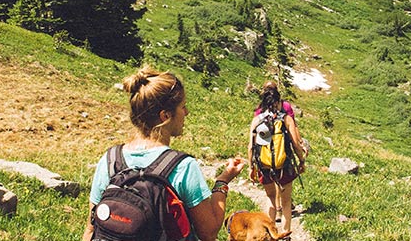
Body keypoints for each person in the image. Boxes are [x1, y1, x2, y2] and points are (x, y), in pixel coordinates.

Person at [82, 66, 245, 241]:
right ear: (165, 116)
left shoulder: (111, 160)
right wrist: (222, 182)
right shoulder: (183, 167)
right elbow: (209, 232)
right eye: (183, 107)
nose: (187, 112)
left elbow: (91, 228)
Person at [248, 84, 306, 236]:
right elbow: (295, 144)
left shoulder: (256, 120)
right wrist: (301, 161)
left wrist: (251, 167)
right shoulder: (286, 119)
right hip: (284, 165)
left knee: (271, 198)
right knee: (286, 203)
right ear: (279, 102)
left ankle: (270, 234)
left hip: (264, 166)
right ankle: (286, 234)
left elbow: (251, 147)